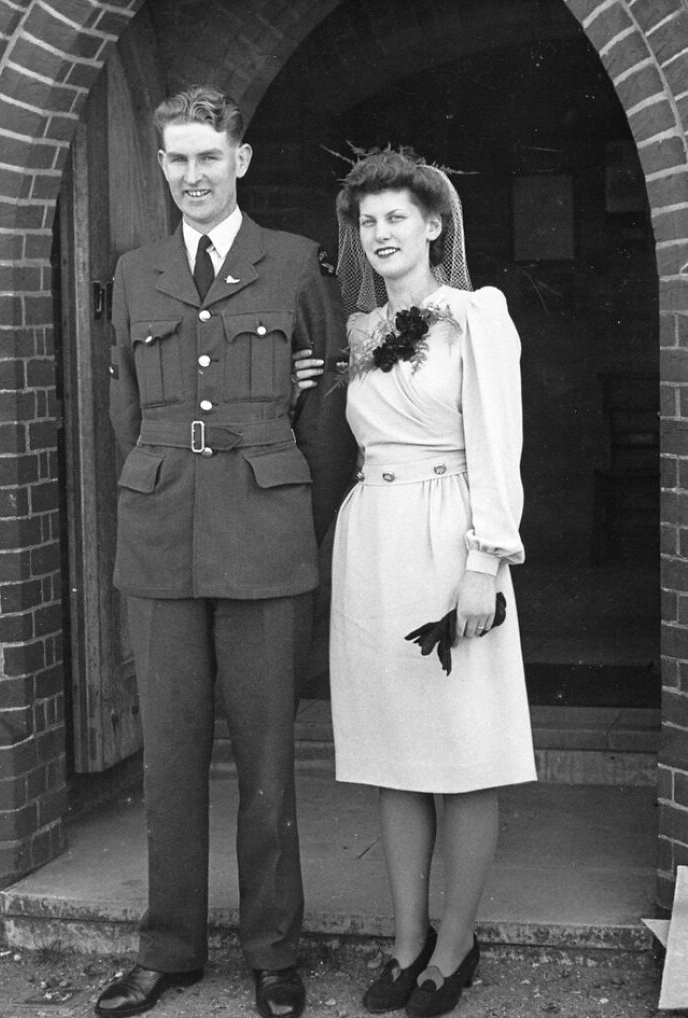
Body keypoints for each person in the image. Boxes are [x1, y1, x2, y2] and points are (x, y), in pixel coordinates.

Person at [96, 86, 355, 1018]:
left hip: (266, 535)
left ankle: (274, 952)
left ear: (240, 160)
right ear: (162, 166)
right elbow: (126, 409)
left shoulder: (293, 263)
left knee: (266, 757)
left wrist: (292, 516)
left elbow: (327, 419)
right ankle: (168, 949)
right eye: (177, 158)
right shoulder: (137, 271)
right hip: (161, 536)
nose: (193, 175)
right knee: (168, 758)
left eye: (209, 156)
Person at [298, 147, 537, 1017]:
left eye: (397, 216)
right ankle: (406, 940)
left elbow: (498, 443)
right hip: (375, 538)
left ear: (435, 225)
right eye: (367, 221)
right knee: (393, 753)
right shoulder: (360, 330)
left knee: (464, 753)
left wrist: (485, 564)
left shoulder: (476, 316)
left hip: (451, 534)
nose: (381, 233)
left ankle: (456, 945)